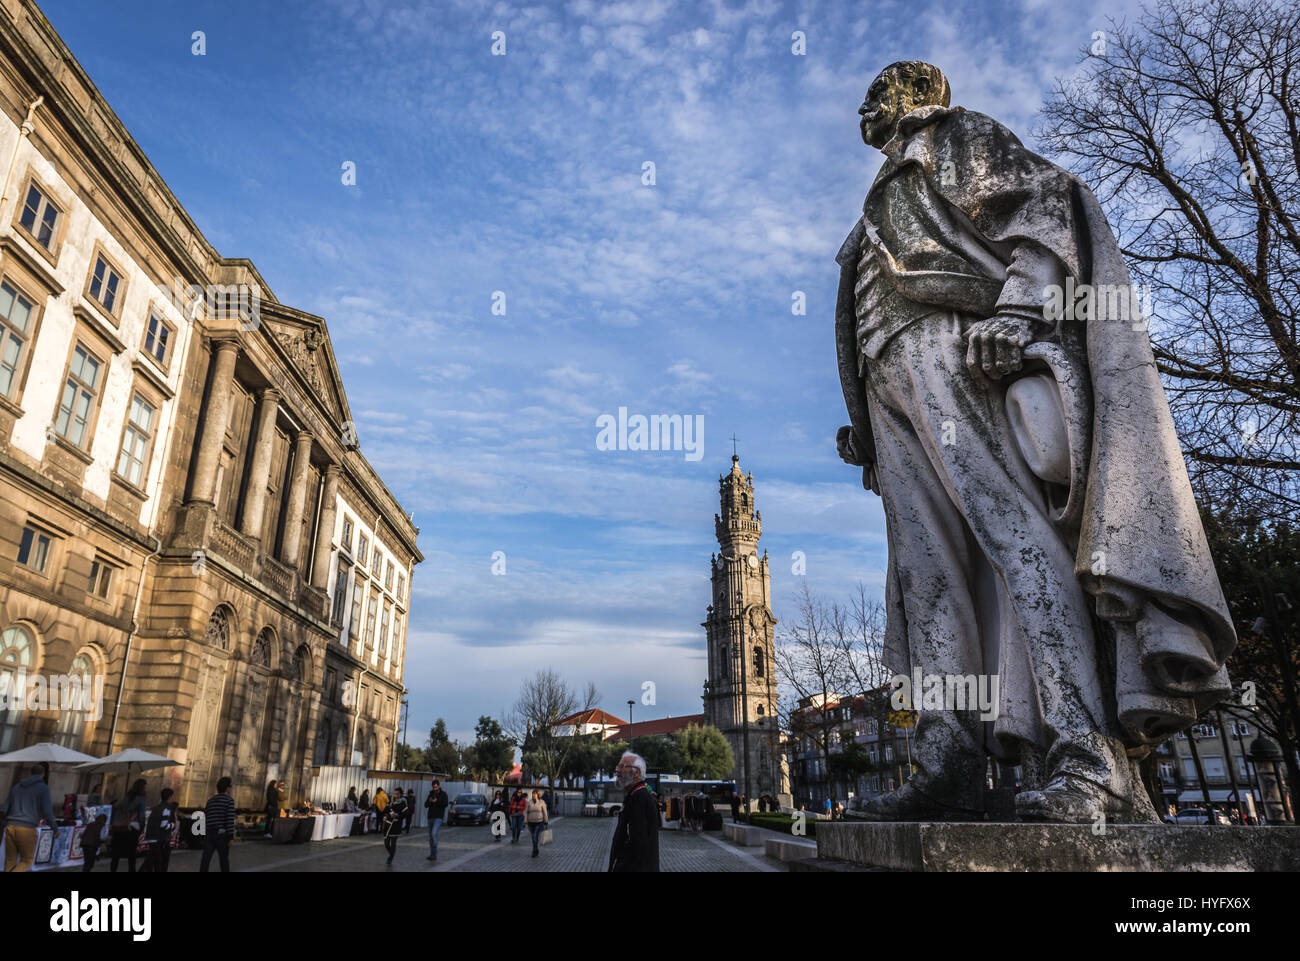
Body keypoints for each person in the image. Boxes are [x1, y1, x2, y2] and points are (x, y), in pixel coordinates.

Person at [608, 752, 659, 872]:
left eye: (622, 766)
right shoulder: (636, 795)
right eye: (618, 766)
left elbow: (637, 845)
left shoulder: (639, 798)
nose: (617, 770)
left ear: (636, 773)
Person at [2, 763, 57, 872]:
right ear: (43, 774)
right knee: (27, 860)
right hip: (27, 827)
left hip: (10, 826)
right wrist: (54, 827)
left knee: (10, 860)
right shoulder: (43, 788)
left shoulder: (17, 787)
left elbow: (5, 807)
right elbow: (47, 811)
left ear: (30, 773)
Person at [109, 778, 149, 872]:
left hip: (120, 826)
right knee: (131, 854)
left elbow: (118, 809)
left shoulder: (127, 796)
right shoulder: (142, 798)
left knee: (116, 854)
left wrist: (114, 822)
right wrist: (142, 826)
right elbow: (141, 814)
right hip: (132, 826)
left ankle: (113, 870)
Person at [200, 776, 236, 872]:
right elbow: (229, 820)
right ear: (227, 788)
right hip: (222, 835)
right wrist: (231, 837)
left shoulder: (210, 801)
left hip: (209, 833)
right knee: (223, 859)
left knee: (205, 859)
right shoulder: (229, 801)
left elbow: (205, 817)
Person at [142, 788, 178, 873]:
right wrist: (173, 825)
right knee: (158, 861)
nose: (173, 799)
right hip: (158, 837)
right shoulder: (166, 809)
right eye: (172, 796)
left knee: (151, 860)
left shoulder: (157, 807)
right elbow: (164, 825)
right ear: (169, 797)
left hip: (151, 836)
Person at [424, 779, 449, 860]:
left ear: (439, 786)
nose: (435, 788)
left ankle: (434, 851)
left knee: (434, 834)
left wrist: (437, 801)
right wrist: (430, 801)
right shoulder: (431, 794)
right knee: (431, 836)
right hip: (430, 817)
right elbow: (425, 805)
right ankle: (432, 854)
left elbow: (445, 804)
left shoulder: (443, 794)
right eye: (433, 787)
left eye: (436, 787)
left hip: (438, 817)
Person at [383, 787, 408, 865]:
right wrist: (389, 808)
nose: (396, 795)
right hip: (388, 823)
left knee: (393, 843)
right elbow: (385, 810)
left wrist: (396, 815)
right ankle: (391, 854)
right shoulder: (391, 801)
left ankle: (390, 858)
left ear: (400, 794)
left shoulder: (403, 803)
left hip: (396, 825)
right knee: (386, 843)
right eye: (395, 793)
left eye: (397, 794)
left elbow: (404, 814)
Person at [524, 788, 549, 858]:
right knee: (533, 837)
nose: (533, 795)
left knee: (535, 836)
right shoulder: (529, 802)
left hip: (539, 822)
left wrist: (546, 821)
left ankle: (534, 850)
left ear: (538, 795)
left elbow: (545, 812)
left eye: (535, 794)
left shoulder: (542, 802)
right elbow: (525, 812)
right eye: (533, 794)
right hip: (531, 822)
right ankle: (536, 848)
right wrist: (525, 820)